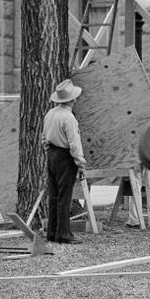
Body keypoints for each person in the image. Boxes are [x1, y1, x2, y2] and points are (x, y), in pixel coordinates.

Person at [42, 79, 86, 245]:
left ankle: (52, 233)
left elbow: (44, 138)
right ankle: (64, 234)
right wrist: (80, 163)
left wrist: (49, 151)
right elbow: (74, 144)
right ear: (72, 99)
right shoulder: (69, 118)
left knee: (53, 195)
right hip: (65, 157)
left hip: (52, 154)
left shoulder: (50, 114)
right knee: (64, 196)